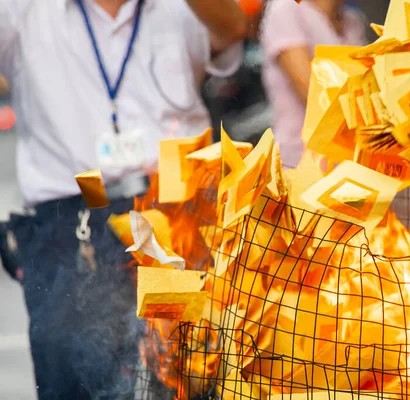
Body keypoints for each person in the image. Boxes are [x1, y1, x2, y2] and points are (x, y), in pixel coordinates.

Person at [0, 0, 247, 398]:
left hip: (179, 205)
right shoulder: (25, 10)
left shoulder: (179, 7)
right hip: (77, 212)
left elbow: (233, 28)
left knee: (203, 370)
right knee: (77, 374)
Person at [260, 0, 367, 168]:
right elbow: (312, 93)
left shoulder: (352, 20)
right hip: (301, 162)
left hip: (350, 161)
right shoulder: (286, 8)